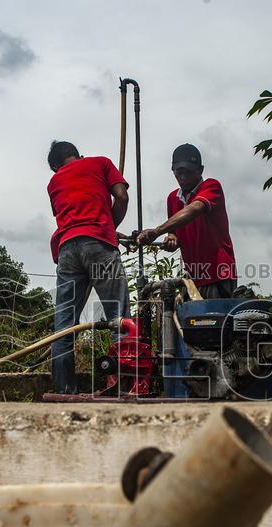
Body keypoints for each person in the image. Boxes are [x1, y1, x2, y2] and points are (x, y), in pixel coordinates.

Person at [46, 140, 130, 394]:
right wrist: (108, 230)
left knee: (64, 324)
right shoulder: (101, 162)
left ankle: (64, 391)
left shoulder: (54, 182)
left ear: (54, 167)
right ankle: (123, 385)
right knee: (119, 318)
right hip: (99, 245)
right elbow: (122, 196)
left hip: (68, 250)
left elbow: (73, 217)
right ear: (78, 155)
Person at [136, 143, 237, 299]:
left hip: (218, 274)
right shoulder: (172, 199)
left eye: (188, 172)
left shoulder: (211, 186)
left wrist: (157, 231)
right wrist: (171, 239)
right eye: (178, 172)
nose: (183, 178)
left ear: (200, 170)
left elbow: (195, 208)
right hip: (193, 277)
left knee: (216, 321)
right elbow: (174, 233)